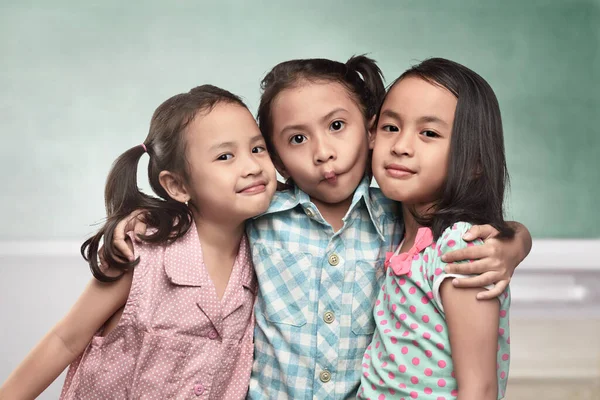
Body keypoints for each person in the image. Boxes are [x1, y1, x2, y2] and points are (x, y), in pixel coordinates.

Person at [112, 56, 532, 399]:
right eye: (296, 140)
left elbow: (463, 221)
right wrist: (149, 216)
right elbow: (209, 206)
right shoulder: (261, 212)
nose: (323, 153)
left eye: (336, 126)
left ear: (368, 131)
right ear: (274, 158)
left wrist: (514, 241)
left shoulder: (393, 206)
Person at [0, 85, 277, 399]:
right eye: (225, 156)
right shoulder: (142, 253)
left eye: (258, 149)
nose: (253, 166)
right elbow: (66, 339)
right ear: (177, 185)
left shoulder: (270, 252)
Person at [358, 58, 515, 400]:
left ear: (474, 162)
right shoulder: (397, 230)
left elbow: (480, 387)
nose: (401, 146)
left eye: (429, 133)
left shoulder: (461, 248)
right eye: (391, 127)